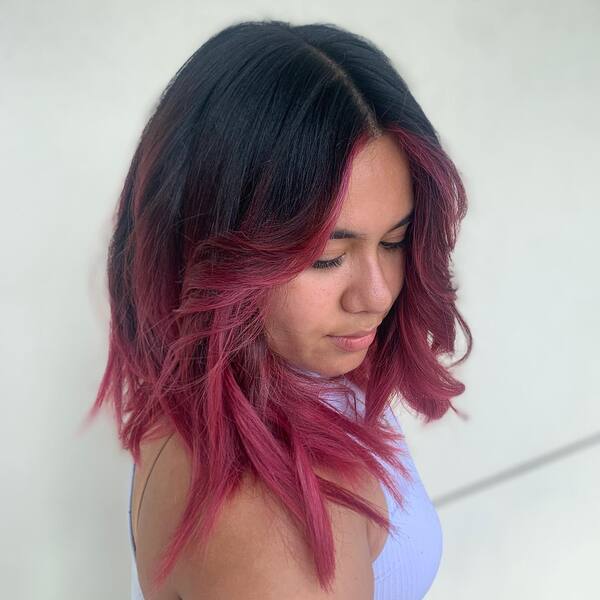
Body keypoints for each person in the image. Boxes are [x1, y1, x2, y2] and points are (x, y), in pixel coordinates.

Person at [88, 18, 472, 600]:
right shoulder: (276, 527)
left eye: (393, 241)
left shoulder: (229, 379)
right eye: (325, 257)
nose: (375, 296)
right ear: (210, 245)